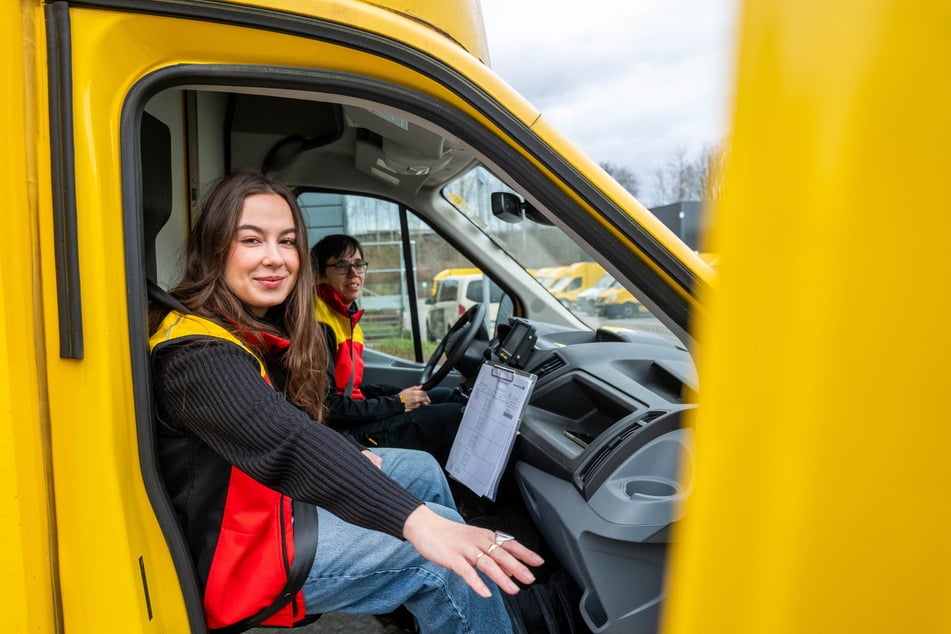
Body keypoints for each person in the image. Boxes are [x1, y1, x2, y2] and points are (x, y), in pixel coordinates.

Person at [147, 170, 542, 633]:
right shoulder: (199, 355)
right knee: (438, 557)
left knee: (420, 470)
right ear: (215, 248)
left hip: (266, 507)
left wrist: (354, 460)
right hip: (238, 554)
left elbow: (284, 422)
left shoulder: (238, 327)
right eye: (251, 240)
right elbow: (286, 440)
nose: (275, 258)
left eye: (287, 241)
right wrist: (416, 523)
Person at [311, 234, 463, 463]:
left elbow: (352, 389)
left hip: (353, 420)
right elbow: (329, 407)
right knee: (453, 416)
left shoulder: (344, 316)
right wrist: (399, 402)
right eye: (342, 266)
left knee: (442, 395)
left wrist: (397, 393)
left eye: (358, 265)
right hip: (344, 435)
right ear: (319, 274)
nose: (354, 274)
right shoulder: (318, 325)